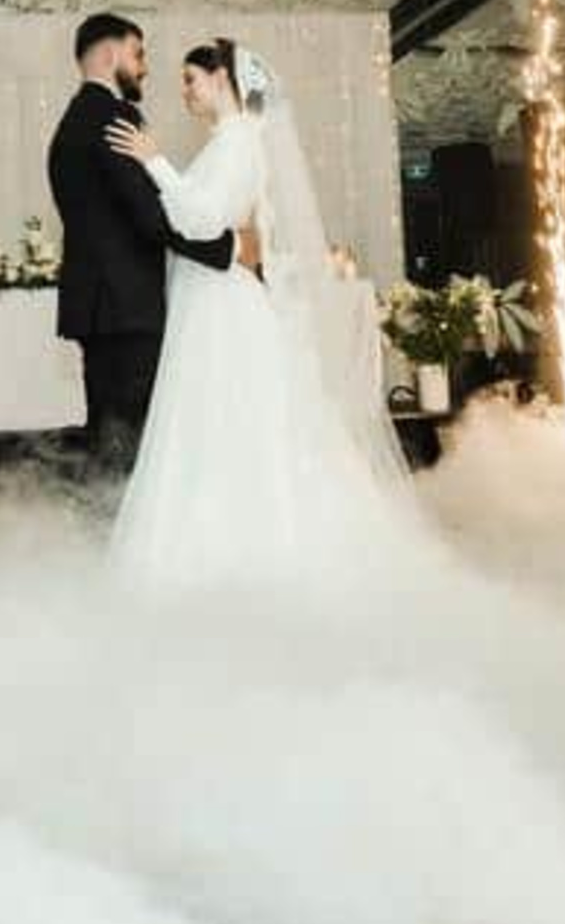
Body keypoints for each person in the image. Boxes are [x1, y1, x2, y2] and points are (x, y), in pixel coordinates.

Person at [103, 38, 432, 591]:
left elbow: (205, 219)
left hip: (220, 306)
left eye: (192, 79)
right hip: (206, 299)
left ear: (224, 80)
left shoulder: (237, 144)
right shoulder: (225, 143)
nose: (185, 91)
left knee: (227, 423)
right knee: (216, 424)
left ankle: (248, 558)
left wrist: (152, 162)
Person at [47, 13, 238, 468]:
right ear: (111, 54)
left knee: (109, 427)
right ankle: (117, 529)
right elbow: (149, 215)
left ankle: (101, 523)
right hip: (126, 305)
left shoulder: (72, 120)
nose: (144, 66)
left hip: (99, 306)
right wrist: (224, 250)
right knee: (130, 437)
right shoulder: (114, 115)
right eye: (138, 53)